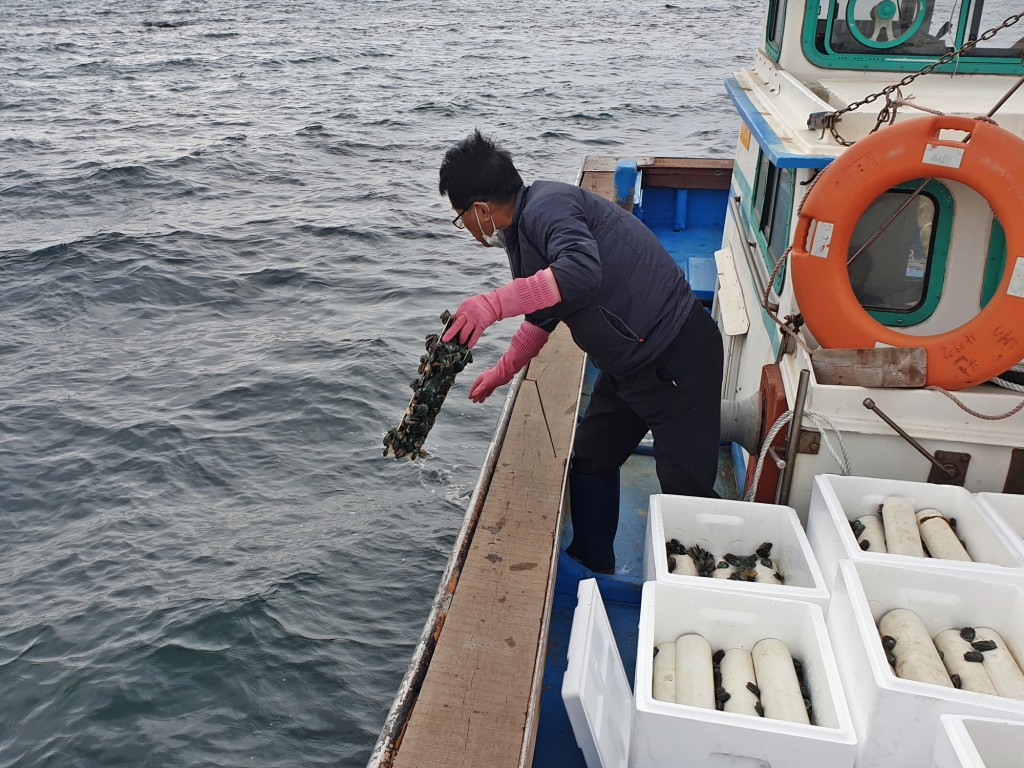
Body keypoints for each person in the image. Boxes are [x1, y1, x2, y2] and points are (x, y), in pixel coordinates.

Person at [438, 129, 723, 574]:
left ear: (480, 209)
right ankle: (594, 560)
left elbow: (580, 272)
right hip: (629, 367)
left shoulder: (550, 206)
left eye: (461, 218)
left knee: (686, 490)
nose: (467, 229)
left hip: (677, 355)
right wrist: (505, 369)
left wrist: (493, 304)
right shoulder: (521, 235)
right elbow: (544, 312)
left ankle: (712, 582)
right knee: (592, 459)